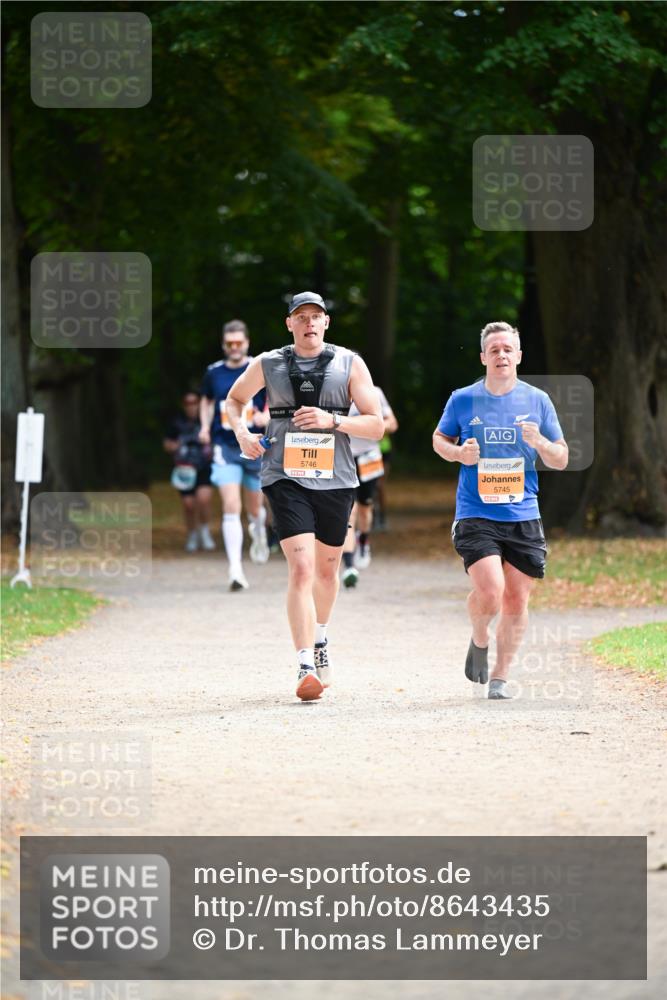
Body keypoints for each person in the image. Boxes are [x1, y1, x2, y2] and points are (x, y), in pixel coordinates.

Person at [226, 291, 384, 701]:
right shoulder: (269, 362)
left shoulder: (350, 363)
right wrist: (242, 433)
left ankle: (320, 639)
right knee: (301, 570)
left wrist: (333, 419)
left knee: (327, 573)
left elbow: (376, 426)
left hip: (337, 478)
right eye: (302, 317)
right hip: (284, 475)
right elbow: (236, 399)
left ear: (326, 322)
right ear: (289, 323)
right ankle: (303, 665)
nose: (309, 323)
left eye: (316, 316)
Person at [432, 321, 568, 700]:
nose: (502, 355)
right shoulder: (463, 399)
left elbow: (561, 457)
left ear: (519, 356)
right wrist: (459, 453)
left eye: (508, 349)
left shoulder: (538, 400)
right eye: (494, 350)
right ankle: (479, 638)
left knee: (516, 600)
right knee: (491, 592)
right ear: (483, 357)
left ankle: (500, 678)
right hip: (476, 512)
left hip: (523, 513)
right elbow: (439, 439)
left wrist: (539, 440)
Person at [199, 320, 270, 591]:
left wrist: (267, 415)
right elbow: (206, 401)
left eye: (239, 343)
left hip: (255, 447)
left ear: (247, 343)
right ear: (223, 345)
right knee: (231, 506)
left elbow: (277, 398)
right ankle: (235, 570)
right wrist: (204, 427)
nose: (235, 347)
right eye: (230, 343)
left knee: (255, 508)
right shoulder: (213, 373)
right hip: (225, 446)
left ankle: (259, 530)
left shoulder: (259, 368)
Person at [341, 387, 398, 587]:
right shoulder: (333, 391)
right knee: (349, 512)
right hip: (343, 458)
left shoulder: (374, 393)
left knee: (365, 509)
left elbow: (392, 423)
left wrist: (371, 424)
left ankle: (363, 540)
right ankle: (348, 565)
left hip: (369, 457)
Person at [163, 391, 216, 553]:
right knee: (189, 505)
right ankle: (192, 534)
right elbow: (167, 443)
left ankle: (205, 531)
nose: (191, 406)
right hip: (184, 468)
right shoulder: (176, 422)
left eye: (194, 402)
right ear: (184, 405)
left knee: (203, 500)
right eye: (188, 403)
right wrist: (175, 446)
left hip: (204, 467)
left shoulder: (207, 420)